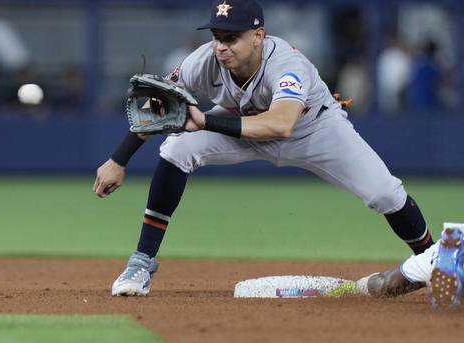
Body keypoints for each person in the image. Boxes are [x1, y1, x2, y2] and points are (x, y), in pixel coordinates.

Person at [94, 0, 435, 296]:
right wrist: (117, 160)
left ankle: (436, 263)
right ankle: (140, 264)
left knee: (386, 194)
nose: (221, 46)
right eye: (216, 37)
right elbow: (158, 106)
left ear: (258, 35)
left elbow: (281, 124)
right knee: (176, 149)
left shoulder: (286, 64)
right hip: (239, 123)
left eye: (232, 38)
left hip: (312, 129)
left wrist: (206, 122)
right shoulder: (203, 61)